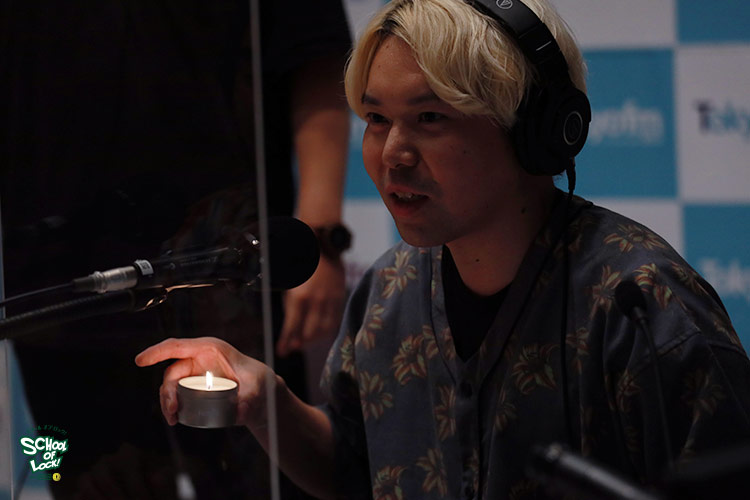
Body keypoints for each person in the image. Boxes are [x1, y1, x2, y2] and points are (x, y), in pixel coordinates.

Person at [136, 0, 750, 498]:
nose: (393, 154)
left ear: (531, 131)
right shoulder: (387, 293)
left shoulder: (642, 305)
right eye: (376, 119)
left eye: (429, 118)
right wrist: (264, 399)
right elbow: (352, 468)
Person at [2, 0, 350, 498]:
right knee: (92, 480)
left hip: (222, 259)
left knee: (254, 474)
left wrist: (319, 240)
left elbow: (314, 50)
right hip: (56, 273)